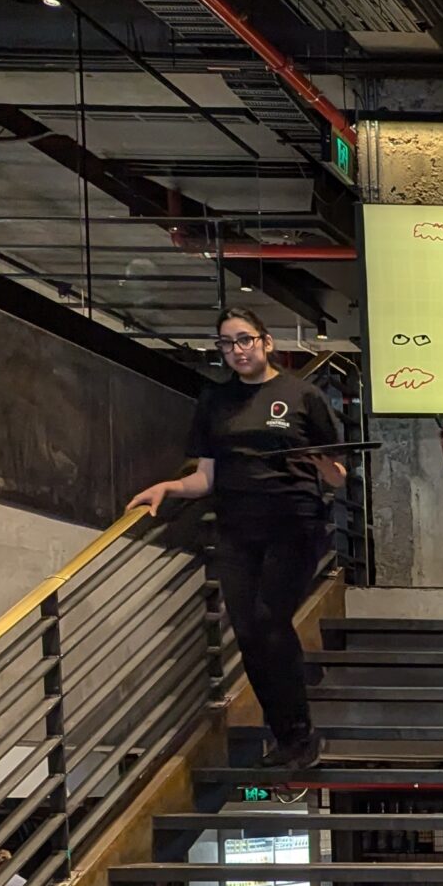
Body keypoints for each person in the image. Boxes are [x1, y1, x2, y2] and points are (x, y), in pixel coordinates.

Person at [126, 306, 345, 772]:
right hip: (236, 528)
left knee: (269, 619)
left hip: (293, 523)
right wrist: (167, 487)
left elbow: (338, 474)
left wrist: (322, 465)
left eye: (244, 340)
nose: (237, 351)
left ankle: (300, 736)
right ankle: (288, 737)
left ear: (266, 342)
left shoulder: (302, 395)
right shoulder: (215, 402)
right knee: (246, 631)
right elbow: (205, 477)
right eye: (227, 344)